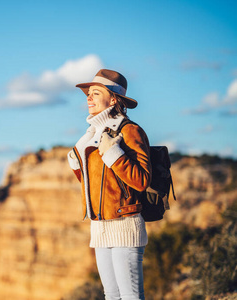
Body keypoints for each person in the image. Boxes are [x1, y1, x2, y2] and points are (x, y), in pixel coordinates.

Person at [67, 69, 151, 300]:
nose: (89, 97)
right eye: (88, 94)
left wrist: (113, 152)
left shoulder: (129, 131)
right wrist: (77, 160)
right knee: (111, 296)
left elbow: (142, 180)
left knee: (130, 296)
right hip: (100, 226)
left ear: (114, 99)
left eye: (95, 92)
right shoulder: (92, 133)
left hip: (125, 224)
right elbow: (92, 185)